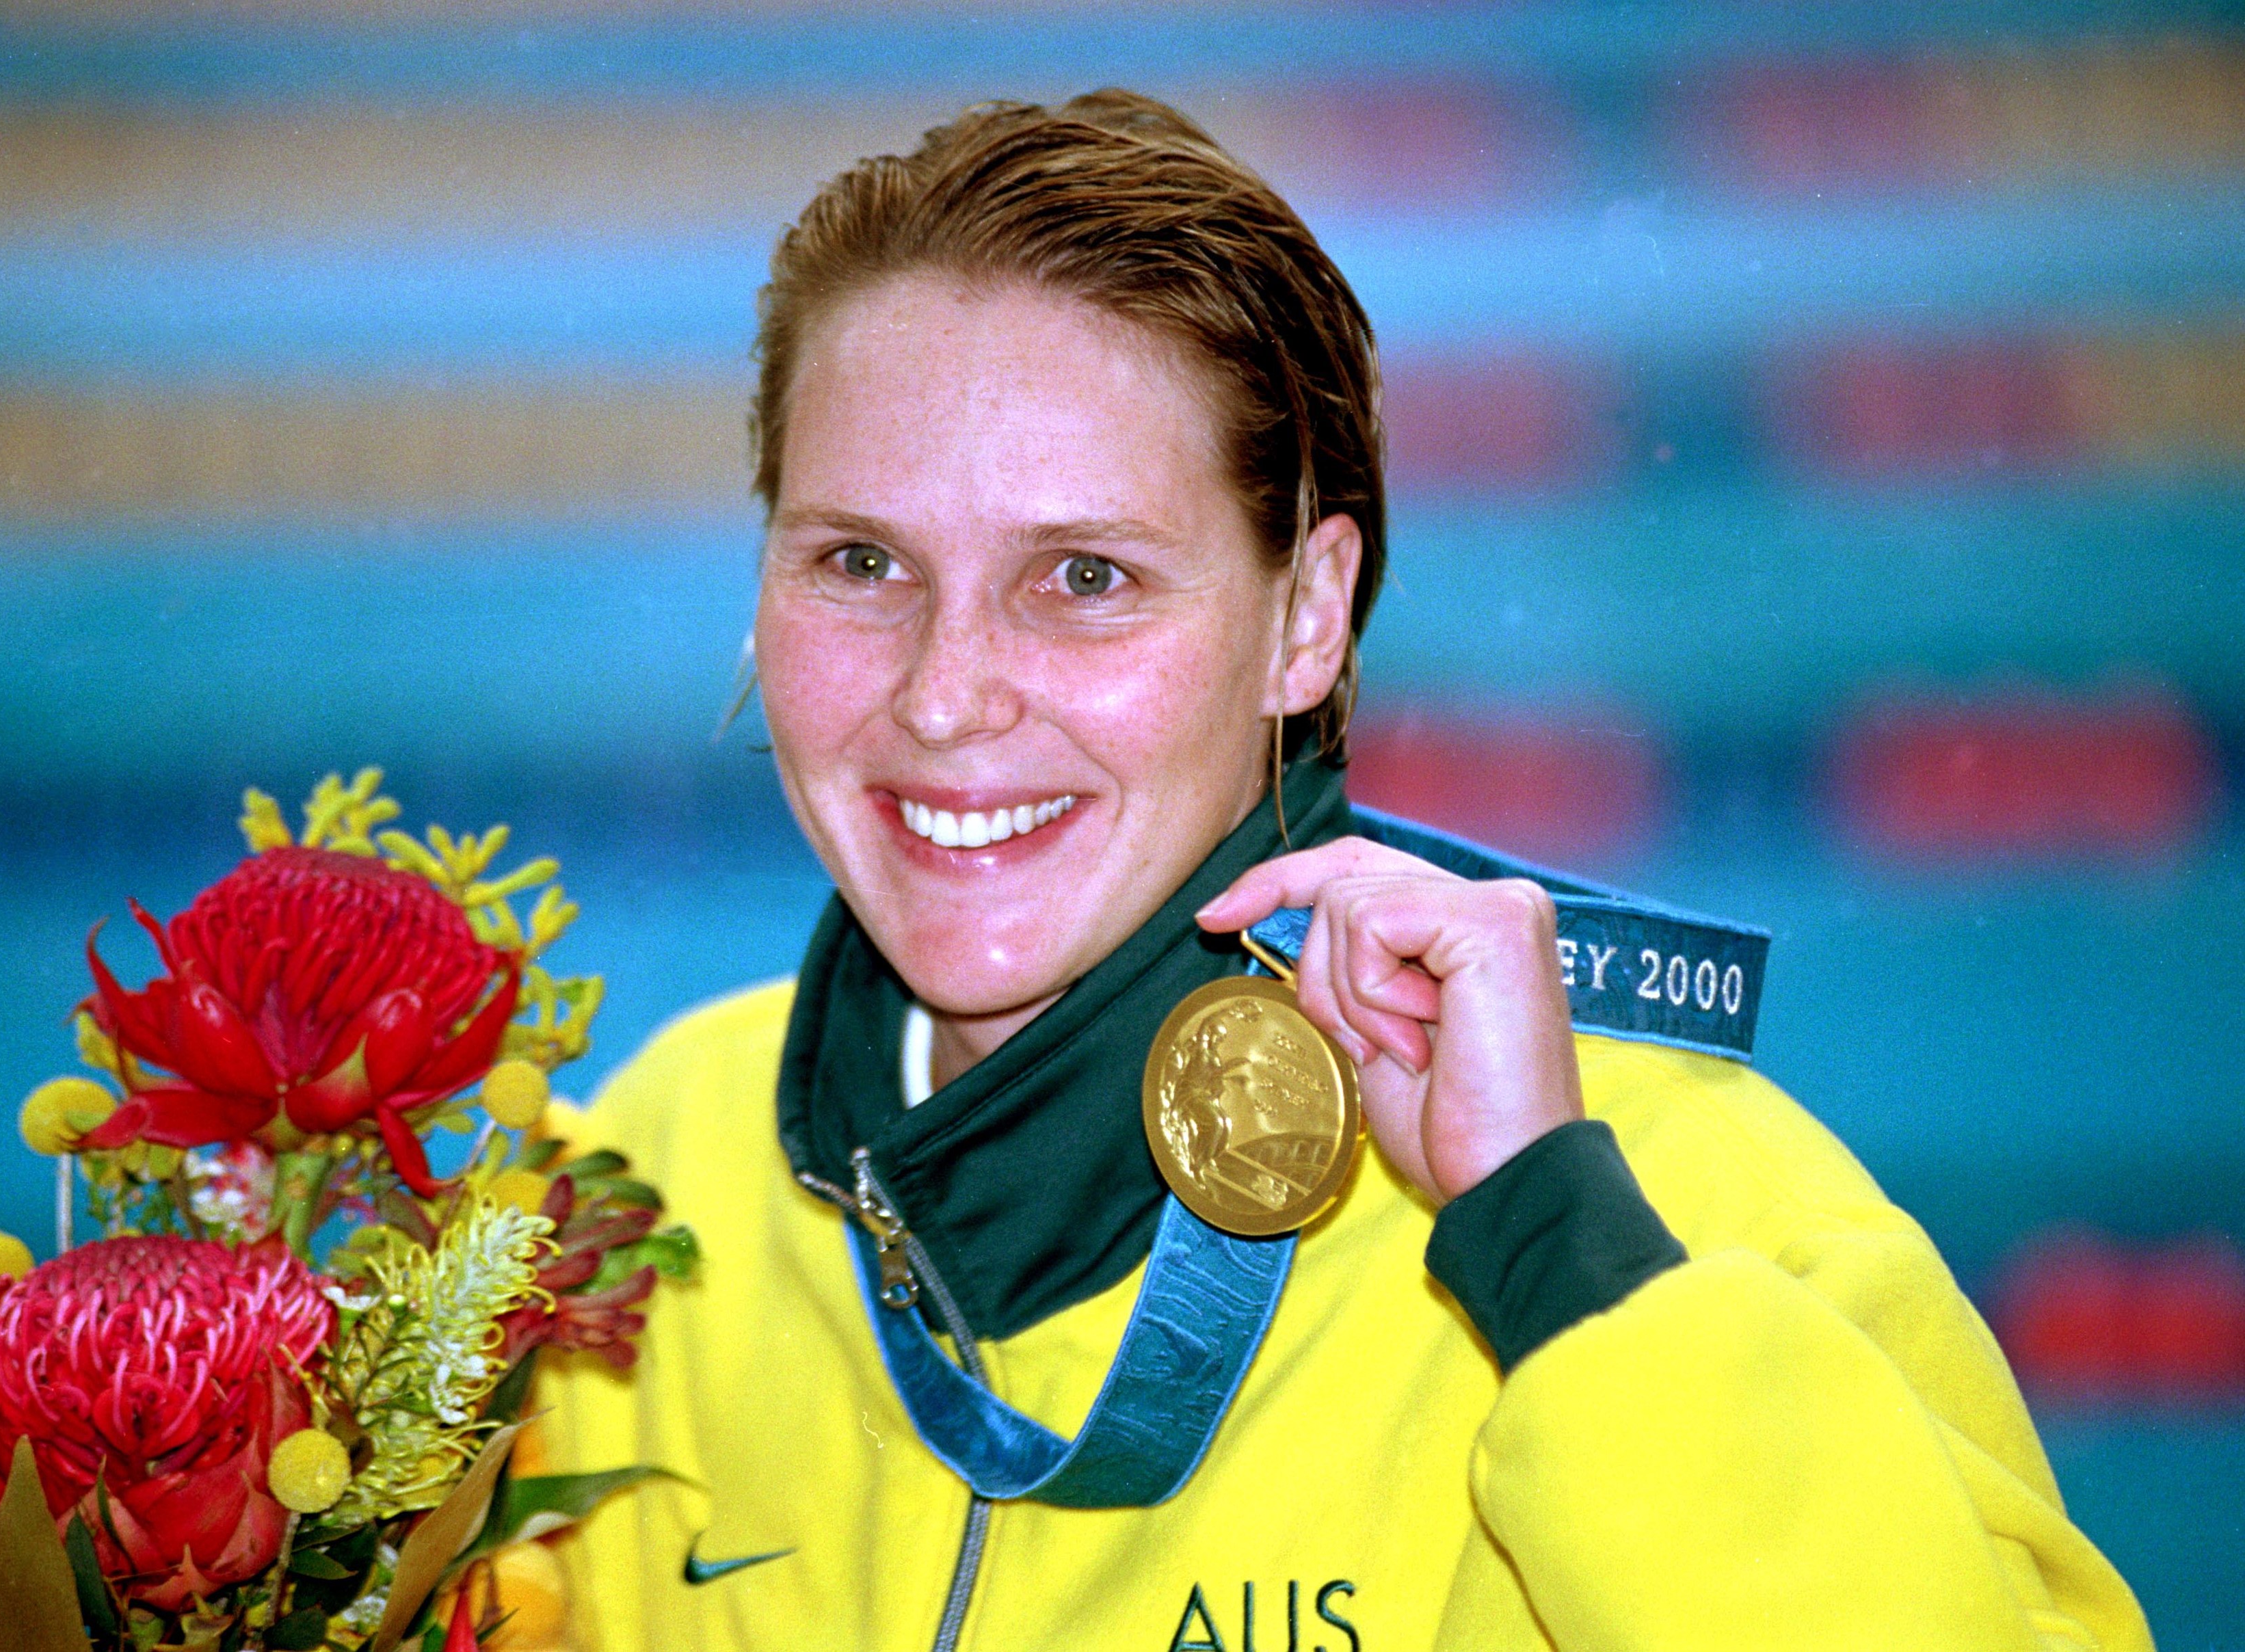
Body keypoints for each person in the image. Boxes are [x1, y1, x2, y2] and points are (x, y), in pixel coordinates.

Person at [512, 91, 2150, 1651]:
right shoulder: (651, 1185)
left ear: (1305, 612)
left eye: (1083, 576)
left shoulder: (1685, 1202)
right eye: (859, 561)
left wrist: (1548, 1248)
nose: (944, 694)